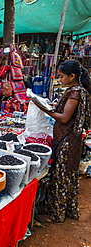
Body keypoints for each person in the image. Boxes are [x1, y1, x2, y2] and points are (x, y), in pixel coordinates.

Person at [32, 60, 91, 223]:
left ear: (72, 76)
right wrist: (52, 106)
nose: (59, 80)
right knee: (68, 176)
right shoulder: (78, 91)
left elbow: (65, 118)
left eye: (61, 76)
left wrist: (45, 109)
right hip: (72, 140)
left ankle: (56, 214)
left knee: (60, 177)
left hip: (67, 141)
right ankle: (70, 209)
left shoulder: (75, 93)